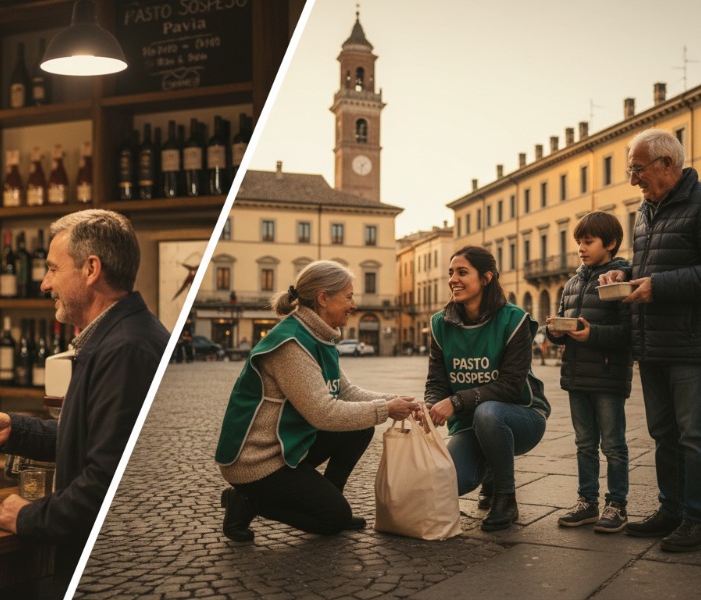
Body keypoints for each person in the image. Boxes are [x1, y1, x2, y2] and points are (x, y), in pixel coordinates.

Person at [0, 210, 169, 597]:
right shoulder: (118, 338)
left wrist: (27, 516)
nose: (45, 284)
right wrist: (16, 429)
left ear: (91, 269)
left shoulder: (125, 350)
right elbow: (92, 438)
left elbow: (104, 483)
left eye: (53, 269)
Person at [214, 260, 418, 542]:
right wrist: (385, 409)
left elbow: (345, 392)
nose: (354, 305)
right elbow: (323, 413)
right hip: (257, 461)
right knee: (332, 520)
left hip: (285, 444)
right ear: (323, 298)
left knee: (360, 427)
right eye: (348, 297)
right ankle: (247, 500)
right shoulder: (292, 344)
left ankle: (332, 496)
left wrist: (397, 402)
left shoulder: (317, 334)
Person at [598, 128, 701, 552]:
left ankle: (695, 518)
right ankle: (670, 509)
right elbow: (650, 265)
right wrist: (624, 273)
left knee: (693, 436)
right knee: (662, 433)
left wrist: (658, 286)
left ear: (667, 164)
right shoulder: (646, 211)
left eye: (637, 169)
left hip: (691, 345)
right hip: (653, 342)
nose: (632, 179)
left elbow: (670, 275)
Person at [422, 245, 550, 532]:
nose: (453, 279)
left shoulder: (514, 320)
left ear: (486, 278)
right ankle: (491, 469)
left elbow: (510, 386)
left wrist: (455, 402)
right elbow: (437, 381)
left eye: (462, 272)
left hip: (521, 417)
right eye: (451, 273)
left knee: (488, 412)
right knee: (449, 482)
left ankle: (505, 497)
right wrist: (430, 406)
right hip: (470, 424)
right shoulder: (441, 324)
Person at [546, 212, 632, 533]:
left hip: (608, 375)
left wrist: (592, 333)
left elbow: (628, 333)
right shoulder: (573, 283)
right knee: (584, 443)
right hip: (576, 375)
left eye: (588, 242)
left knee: (612, 445)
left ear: (610, 244)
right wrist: (555, 331)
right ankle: (587, 502)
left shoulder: (619, 279)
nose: (581, 248)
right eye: (578, 242)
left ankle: (617, 504)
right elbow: (563, 321)